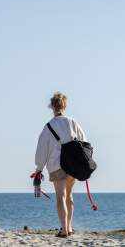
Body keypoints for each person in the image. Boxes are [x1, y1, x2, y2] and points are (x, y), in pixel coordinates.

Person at [34, 92, 87, 238]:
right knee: (69, 196)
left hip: (56, 165)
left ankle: (64, 230)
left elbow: (41, 151)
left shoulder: (48, 127)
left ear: (52, 106)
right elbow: (84, 141)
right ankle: (69, 227)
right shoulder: (73, 122)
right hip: (72, 165)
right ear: (65, 105)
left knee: (60, 197)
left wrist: (39, 168)